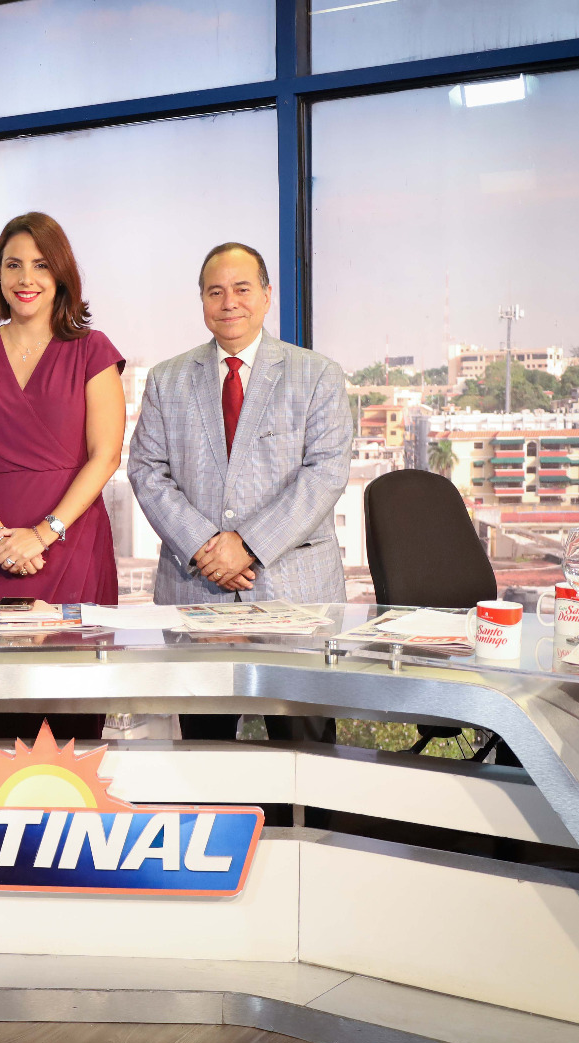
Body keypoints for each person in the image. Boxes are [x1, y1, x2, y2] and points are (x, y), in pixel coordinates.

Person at [128, 242, 350, 744]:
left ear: (267, 296)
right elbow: (145, 469)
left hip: (295, 595)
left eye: (242, 289)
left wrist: (246, 545)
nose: (229, 302)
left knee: (306, 758)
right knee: (206, 758)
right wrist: (206, 547)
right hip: (197, 592)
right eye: (215, 292)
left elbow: (325, 474)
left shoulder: (317, 375)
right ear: (202, 302)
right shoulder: (166, 380)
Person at [0, 212, 125, 742]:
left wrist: (43, 533)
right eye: (13, 265)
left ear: (61, 273)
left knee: (74, 714)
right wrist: (0, 537)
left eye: (41, 265)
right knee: (0, 715)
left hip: (71, 543)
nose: (26, 278)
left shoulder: (92, 350)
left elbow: (106, 456)